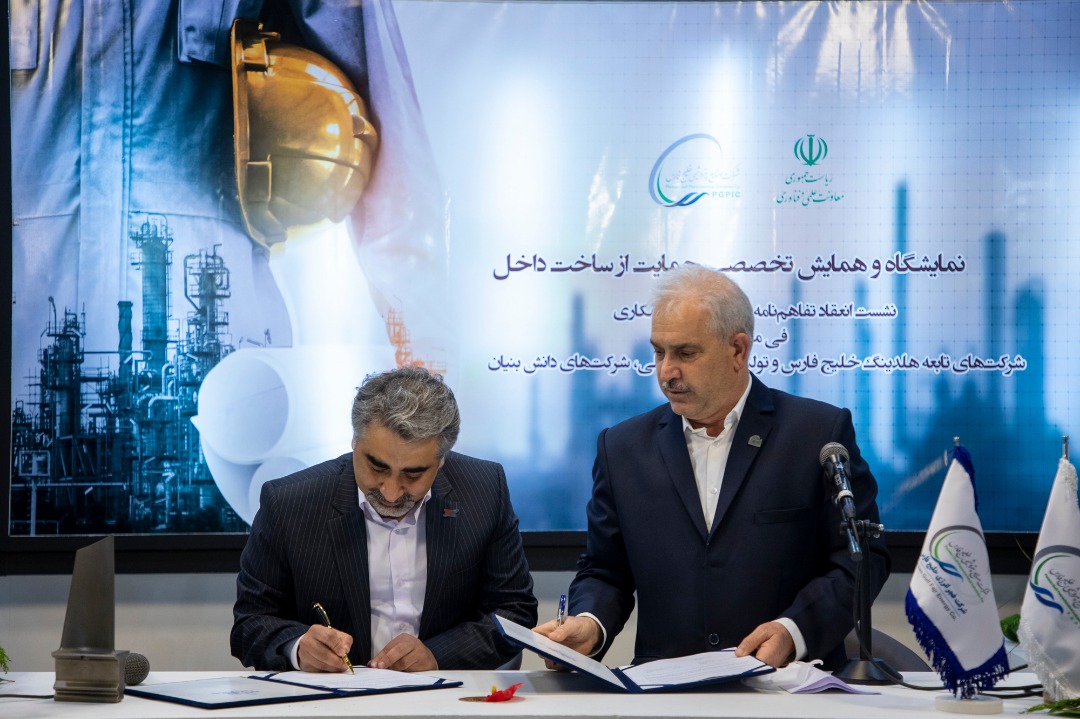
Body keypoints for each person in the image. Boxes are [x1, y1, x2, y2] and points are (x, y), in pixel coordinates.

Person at [535, 265, 890, 670]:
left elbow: (862, 557)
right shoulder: (622, 448)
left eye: (685, 353)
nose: (666, 372)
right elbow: (605, 570)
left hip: (787, 686)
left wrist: (793, 631)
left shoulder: (816, 435)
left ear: (738, 350)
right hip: (664, 691)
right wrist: (589, 622)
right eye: (659, 352)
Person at [231, 366, 537, 672]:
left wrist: (438, 655)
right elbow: (250, 622)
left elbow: (515, 611)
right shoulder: (289, 503)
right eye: (377, 467)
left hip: (448, 692)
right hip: (335, 694)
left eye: (413, 475)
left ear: (442, 460)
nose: (391, 493)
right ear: (355, 441)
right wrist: (297, 647)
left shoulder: (484, 490)